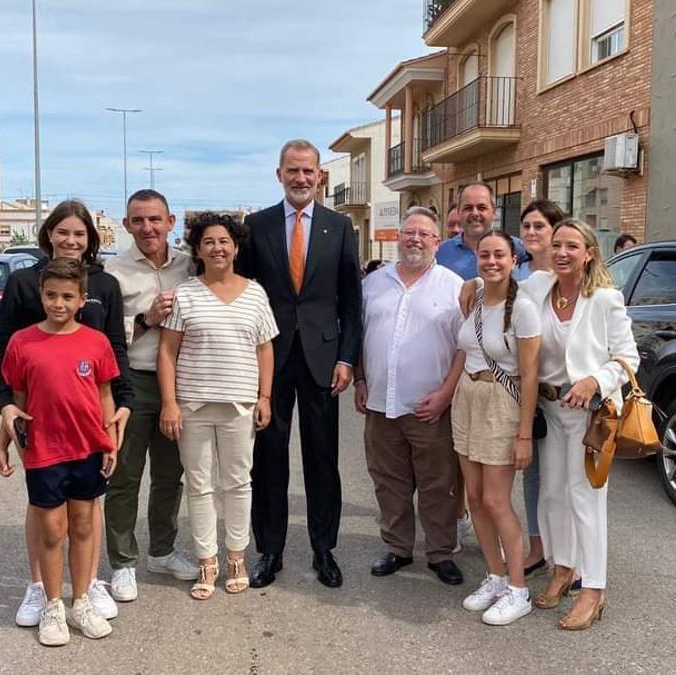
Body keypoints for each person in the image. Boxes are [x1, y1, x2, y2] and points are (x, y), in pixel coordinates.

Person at [0, 199, 132, 627]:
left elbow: (114, 352)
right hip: (35, 414)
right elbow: (3, 351)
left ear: (90, 240)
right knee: (45, 510)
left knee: (87, 509)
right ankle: (40, 589)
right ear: (48, 233)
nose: (71, 240)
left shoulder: (104, 285)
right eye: (63, 231)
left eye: (80, 233)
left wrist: (121, 405)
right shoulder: (21, 283)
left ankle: (85, 588)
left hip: (89, 418)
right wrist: (6, 407)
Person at [237, 139, 362, 589]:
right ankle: (269, 550)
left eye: (309, 171)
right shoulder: (257, 225)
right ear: (279, 175)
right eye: (293, 171)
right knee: (268, 459)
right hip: (268, 359)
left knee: (322, 459)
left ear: (319, 176)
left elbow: (351, 298)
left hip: (323, 360)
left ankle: (323, 548)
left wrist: (348, 356)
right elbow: (243, 293)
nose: (301, 179)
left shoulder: (340, 226)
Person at [521, 219, 638, 631]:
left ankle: (594, 589)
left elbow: (628, 358)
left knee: (586, 499)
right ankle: (563, 567)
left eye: (572, 245)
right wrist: (473, 289)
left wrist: (595, 381)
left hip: (591, 416)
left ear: (589, 253)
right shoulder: (538, 288)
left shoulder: (605, 298)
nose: (563, 253)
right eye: (557, 245)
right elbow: (502, 294)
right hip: (550, 410)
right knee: (551, 495)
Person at [157, 212, 278, 600]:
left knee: (239, 484)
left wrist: (264, 396)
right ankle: (207, 560)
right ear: (198, 249)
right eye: (208, 241)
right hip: (192, 406)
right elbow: (167, 351)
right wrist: (169, 403)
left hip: (239, 405)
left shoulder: (256, 293)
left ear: (236, 246)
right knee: (199, 485)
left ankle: (237, 556)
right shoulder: (186, 294)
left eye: (224, 241)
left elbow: (265, 348)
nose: (217, 248)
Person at [354, 207, 465, 587]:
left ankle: (440, 552)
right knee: (389, 480)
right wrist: (360, 379)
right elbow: (358, 336)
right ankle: (398, 547)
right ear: (398, 237)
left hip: (430, 407)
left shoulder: (454, 287)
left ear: (438, 242)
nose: (415, 239)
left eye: (424, 234)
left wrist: (446, 394)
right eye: (409, 232)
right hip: (381, 404)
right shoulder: (373, 284)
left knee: (439, 484)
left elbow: (467, 348)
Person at [102, 190, 198, 603]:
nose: (148, 228)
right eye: (138, 221)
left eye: (155, 220)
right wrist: (145, 319)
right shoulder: (113, 271)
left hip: (179, 382)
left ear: (171, 221)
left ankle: (162, 551)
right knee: (124, 475)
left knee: (169, 475)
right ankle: (123, 563)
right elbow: (102, 338)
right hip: (133, 381)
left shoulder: (190, 266)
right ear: (126, 225)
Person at [452, 230, 540, 626]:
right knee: (473, 496)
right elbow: (466, 348)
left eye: (499, 255)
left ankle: (518, 590)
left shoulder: (523, 307)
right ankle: (496, 576)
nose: (491, 261)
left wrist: (524, 435)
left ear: (513, 259)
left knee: (495, 500)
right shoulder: (472, 297)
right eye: (484, 255)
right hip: (467, 400)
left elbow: (531, 375)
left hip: (501, 404)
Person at [512, 200, 565, 577]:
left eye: (539, 227)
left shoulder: (572, 276)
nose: (531, 233)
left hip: (566, 392)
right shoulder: (520, 279)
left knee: (566, 478)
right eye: (526, 226)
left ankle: (568, 553)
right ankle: (536, 545)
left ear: (555, 231)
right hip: (530, 390)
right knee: (533, 474)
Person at [435, 183, 527, 281]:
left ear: (494, 212)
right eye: (468, 208)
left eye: (481, 208)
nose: (475, 213)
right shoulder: (440, 252)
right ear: (459, 212)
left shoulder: (516, 247)